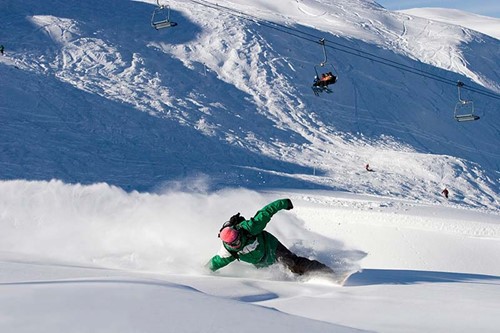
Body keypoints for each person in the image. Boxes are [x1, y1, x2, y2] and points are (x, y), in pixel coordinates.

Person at [207, 198, 334, 276]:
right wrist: (202, 272)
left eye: (237, 240)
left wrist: (284, 203)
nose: (237, 244)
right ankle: (301, 277)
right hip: (261, 262)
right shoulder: (228, 252)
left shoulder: (250, 228)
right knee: (281, 273)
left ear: (239, 234)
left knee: (291, 263)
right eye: (233, 244)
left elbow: (266, 212)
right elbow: (215, 263)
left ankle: (325, 273)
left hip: (271, 246)